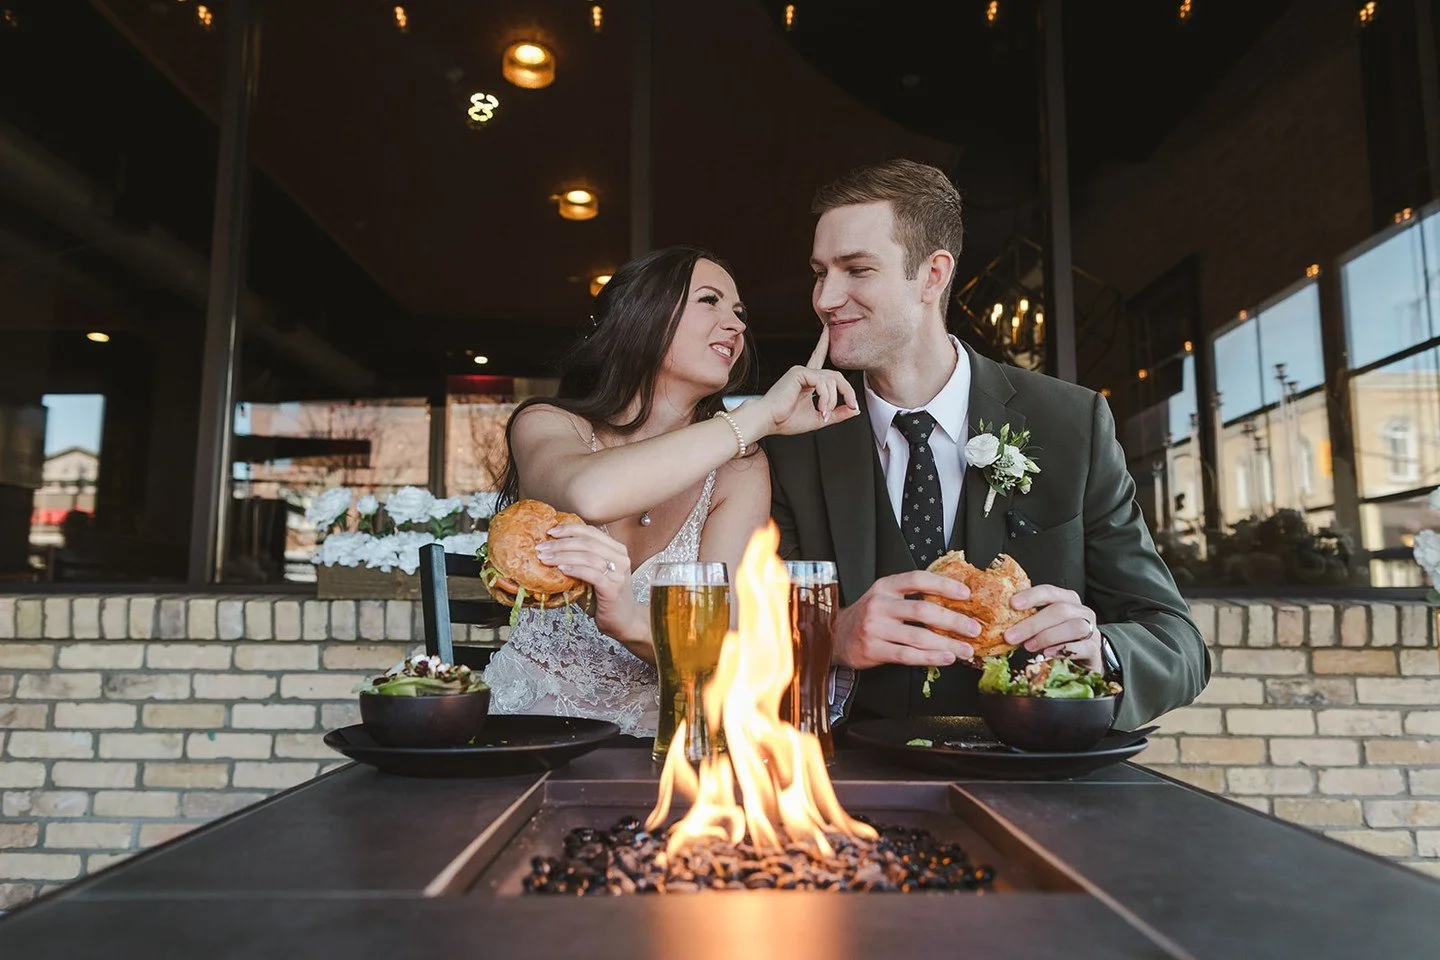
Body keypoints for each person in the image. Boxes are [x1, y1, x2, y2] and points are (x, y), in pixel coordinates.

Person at [764, 160, 1210, 730]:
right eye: (820, 271)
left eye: (856, 269)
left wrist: (1100, 649)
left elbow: (1177, 642)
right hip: (847, 785)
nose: (826, 297)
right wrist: (834, 635)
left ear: (933, 275)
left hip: (1033, 778)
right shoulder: (798, 440)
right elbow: (746, 639)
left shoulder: (1071, 423)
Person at [483, 245, 857, 736]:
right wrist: (761, 415)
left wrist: (631, 622)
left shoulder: (738, 471)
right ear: (644, 316)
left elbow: (725, 652)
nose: (737, 324)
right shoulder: (548, 424)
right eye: (710, 301)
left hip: (661, 744)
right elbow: (588, 494)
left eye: (740, 312)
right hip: (530, 731)